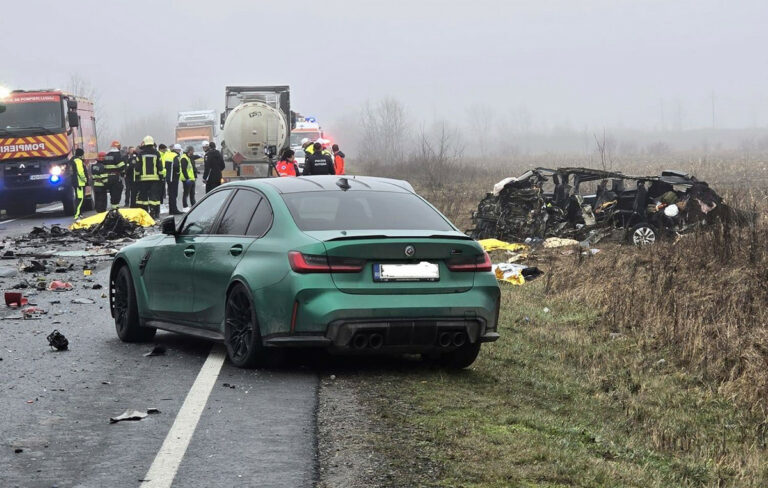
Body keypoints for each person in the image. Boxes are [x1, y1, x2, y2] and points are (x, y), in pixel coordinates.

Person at [135, 136, 163, 218]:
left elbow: (137, 167)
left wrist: (137, 177)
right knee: (154, 197)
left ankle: (144, 213)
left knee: (143, 197)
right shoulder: (157, 153)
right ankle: (154, 212)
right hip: (155, 179)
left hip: (143, 180)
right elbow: (160, 166)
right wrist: (161, 177)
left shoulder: (141, 154)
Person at [103, 140, 126, 209]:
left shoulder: (107, 155)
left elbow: (104, 166)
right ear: (117, 147)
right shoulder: (117, 155)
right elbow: (121, 166)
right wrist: (123, 172)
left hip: (107, 177)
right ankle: (115, 208)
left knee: (112, 192)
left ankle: (113, 207)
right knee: (117, 191)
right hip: (115, 177)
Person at [70, 148, 88, 220]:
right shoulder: (78, 161)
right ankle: (77, 215)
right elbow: (80, 172)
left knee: (78, 198)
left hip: (75, 182)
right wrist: (85, 179)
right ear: (81, 154)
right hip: (79, 183)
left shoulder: (72, 160)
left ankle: (79, 214)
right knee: (80, 199)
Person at [166, 144, 182, 214]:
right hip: (174, 177)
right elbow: (176, 166)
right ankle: (174, 210)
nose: (180, 151)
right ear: (177, 150)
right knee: (174, 194)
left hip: (168, 177)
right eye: (179, 150)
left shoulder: (168, 155)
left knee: (170, 194)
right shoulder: (175, 156)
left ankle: (171, 210)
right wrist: (178, 172)